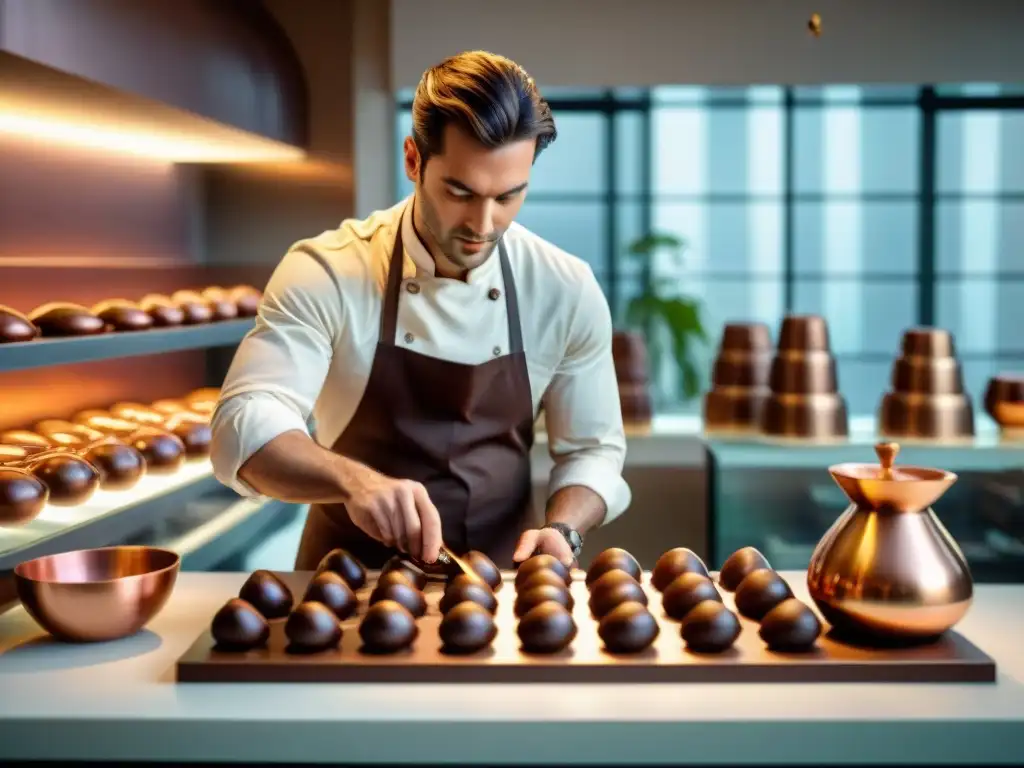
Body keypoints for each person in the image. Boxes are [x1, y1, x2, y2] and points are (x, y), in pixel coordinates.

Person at [209, 50, 630, 571]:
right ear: (413, 160)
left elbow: (593, 451)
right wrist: (353, 481)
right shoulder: (327, 269)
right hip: (342, 586)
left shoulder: (564, 287)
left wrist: (563, 528)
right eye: (460, 192)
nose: (483, 223)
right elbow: (242, 423)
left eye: (509, 196)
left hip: (501, 589)